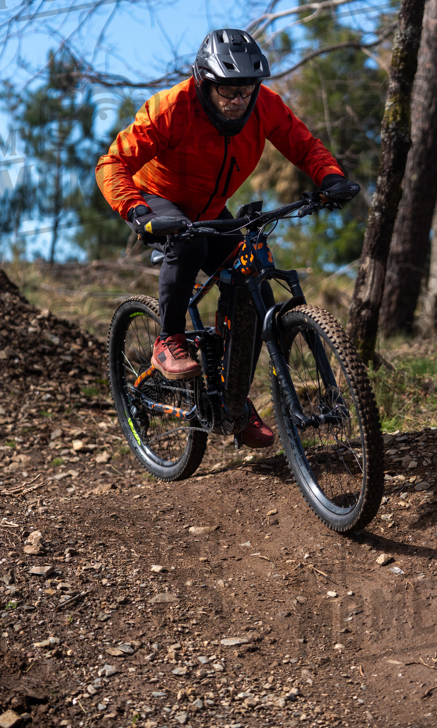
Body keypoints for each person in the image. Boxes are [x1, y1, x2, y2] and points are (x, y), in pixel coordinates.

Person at [96, 28, 355, 448]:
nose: (239, 101)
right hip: (157, 199)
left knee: (256, 288)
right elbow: (112, 164)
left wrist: (330, 178)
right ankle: (169, 338)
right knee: (188, 243)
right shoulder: (170, 108)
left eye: (247, 90)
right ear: (203, 82)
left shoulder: (264, 106)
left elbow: (304, 145)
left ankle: (234, 402)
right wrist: (138, 212)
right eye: (228, 92)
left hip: (211, 207)